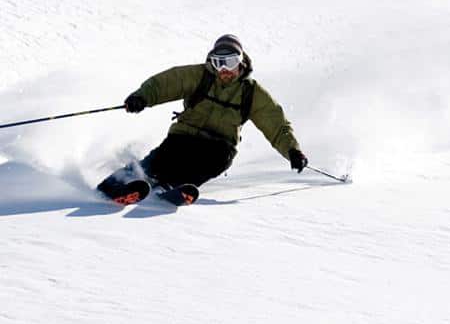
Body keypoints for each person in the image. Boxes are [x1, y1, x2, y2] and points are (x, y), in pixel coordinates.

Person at [97, 34, 307, 205]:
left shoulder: (252, 93)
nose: (224, 70)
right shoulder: (199, 76)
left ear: (241, 61)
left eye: (230, 62)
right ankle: (120, 184)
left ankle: (173, 187)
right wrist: (141, 97)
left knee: (214, 161)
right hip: (185, 136)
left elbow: (275, 123)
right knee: (162, 160)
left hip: (220, 146)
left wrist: (292, 151)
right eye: (218, 63)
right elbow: (166, 83)